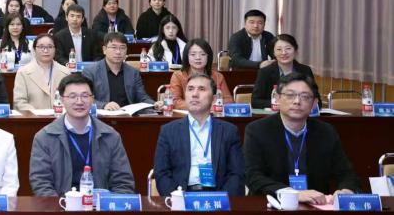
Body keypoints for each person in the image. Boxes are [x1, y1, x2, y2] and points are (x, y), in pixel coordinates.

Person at [243, 73, 363, 201]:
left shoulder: (325, 132)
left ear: (314, 103)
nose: (297, 101)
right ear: (277, 98)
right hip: (271, 205)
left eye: (305, 97)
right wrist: (293, 194)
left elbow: (347, 173)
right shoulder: (257, 130)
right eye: (290, 95)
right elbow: (253, 176)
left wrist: (346, 190)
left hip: (316, 206)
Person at [28, 73, 136, 196]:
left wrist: (108, 205)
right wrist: (61, 205)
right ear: (62, 100)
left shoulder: (110, 136)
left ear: (92, 99)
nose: (79, 102)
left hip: (100, 205)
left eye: (85, 96)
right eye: (72, 96)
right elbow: (41, 183)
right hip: (61, 204)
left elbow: (123, 182)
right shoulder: (44, 137)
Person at [152, 73, 245, 196]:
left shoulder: (229, 131)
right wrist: (176, 198)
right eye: (190, 89)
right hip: (181, 196)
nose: (194, 94)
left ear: (214, 98)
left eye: (201, 89)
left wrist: (222, 199)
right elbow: (161, 173)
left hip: (217, 197)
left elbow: (237, 174)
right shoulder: (168, 131)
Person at [81, 33, 156, 111]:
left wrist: (154, 104)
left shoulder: (133, 72)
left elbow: (142, 97)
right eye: (114, 47)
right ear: (104, 50)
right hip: (102, 115)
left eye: (122, 48)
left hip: (127, 115)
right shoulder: (90, 71)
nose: (118, 52)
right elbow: (85, 98)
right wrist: (104, 105)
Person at [252, 34, 316, 109]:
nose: (284, 53)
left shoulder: (305, 70)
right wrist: (282, 104)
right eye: (279, 49)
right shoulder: (265, 72)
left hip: (299, 113)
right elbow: (255, 101)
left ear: (295, 51)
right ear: (274, 53)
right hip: (275, 114)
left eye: (288, 48)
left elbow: (316, 100)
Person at [11, 33, 71, 112]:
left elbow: (70, 99)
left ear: (55, 49)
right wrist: (38, 115)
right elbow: (19, 102)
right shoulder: (23, 72)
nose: (46, 50)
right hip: (33, 118)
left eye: (50, 47)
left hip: (59, 117)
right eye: (41, 47)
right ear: (34, 50)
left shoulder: (65, 72)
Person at [167, 38, 233, 102]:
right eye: (193, 54)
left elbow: (229, 100)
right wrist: (198, 105)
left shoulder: (218, 76)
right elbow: (175, 101)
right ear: (187, 57)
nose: (198, 58)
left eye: (202, 54)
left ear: (208, 57)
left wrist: (208, 105)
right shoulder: (178, 76)